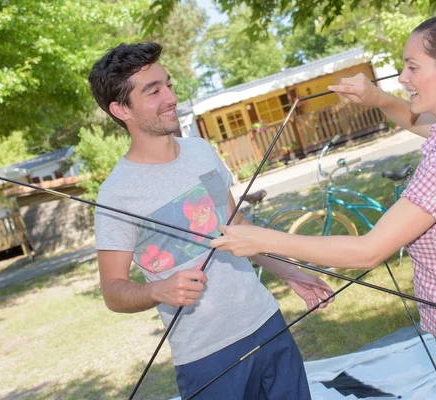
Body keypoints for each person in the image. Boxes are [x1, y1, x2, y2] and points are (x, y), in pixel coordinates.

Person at [211, 14, 436, 400]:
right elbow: (418, 121)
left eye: (412, 66)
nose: (402, 77)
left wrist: (259, 240)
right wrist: (376, 97)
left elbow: (369, 250)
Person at [89, 42, 334, 400]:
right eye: (153, 91)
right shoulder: (116, 194)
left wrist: (291, 271)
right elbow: (113, 290)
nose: (171, 97)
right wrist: (157, 290)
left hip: (267, 323)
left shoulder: (201, 150)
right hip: (207, 357)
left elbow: (239, 228)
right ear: (120, 108)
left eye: (168, 84)